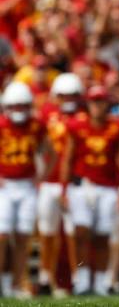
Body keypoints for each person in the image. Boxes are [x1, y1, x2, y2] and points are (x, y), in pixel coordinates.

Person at [62, 86, 119, 295]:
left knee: (103, 235)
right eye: (94, 101)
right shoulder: (76, 126)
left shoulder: (118, 128)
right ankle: (81, 279)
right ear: (88, 104)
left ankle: (100, 280)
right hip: (82, 185)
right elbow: (68, 158)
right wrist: (63, 189)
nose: (97, 105)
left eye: (101, 101)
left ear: (107, 104)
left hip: (108, 187)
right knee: (81, 232)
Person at [0, 82, 49, 299]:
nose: (19, 110)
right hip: (4, 186)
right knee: (1, 236)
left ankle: (15, 285)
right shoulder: (1, 125)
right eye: (15, 106)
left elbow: (51, 152)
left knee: (22, 237)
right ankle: (2, 283)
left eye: (22, 105)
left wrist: (42, 177)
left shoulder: (36, 126)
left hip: (27, 186)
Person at [37, 72, 84, 297]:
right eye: (63, 94)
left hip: (74, 183)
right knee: (47, 232)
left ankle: (77, 280)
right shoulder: (46, 114)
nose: (68, 99)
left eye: (73, 94)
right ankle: (45, 277)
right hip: (49, 181)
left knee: (74, 233)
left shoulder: (85, 116)